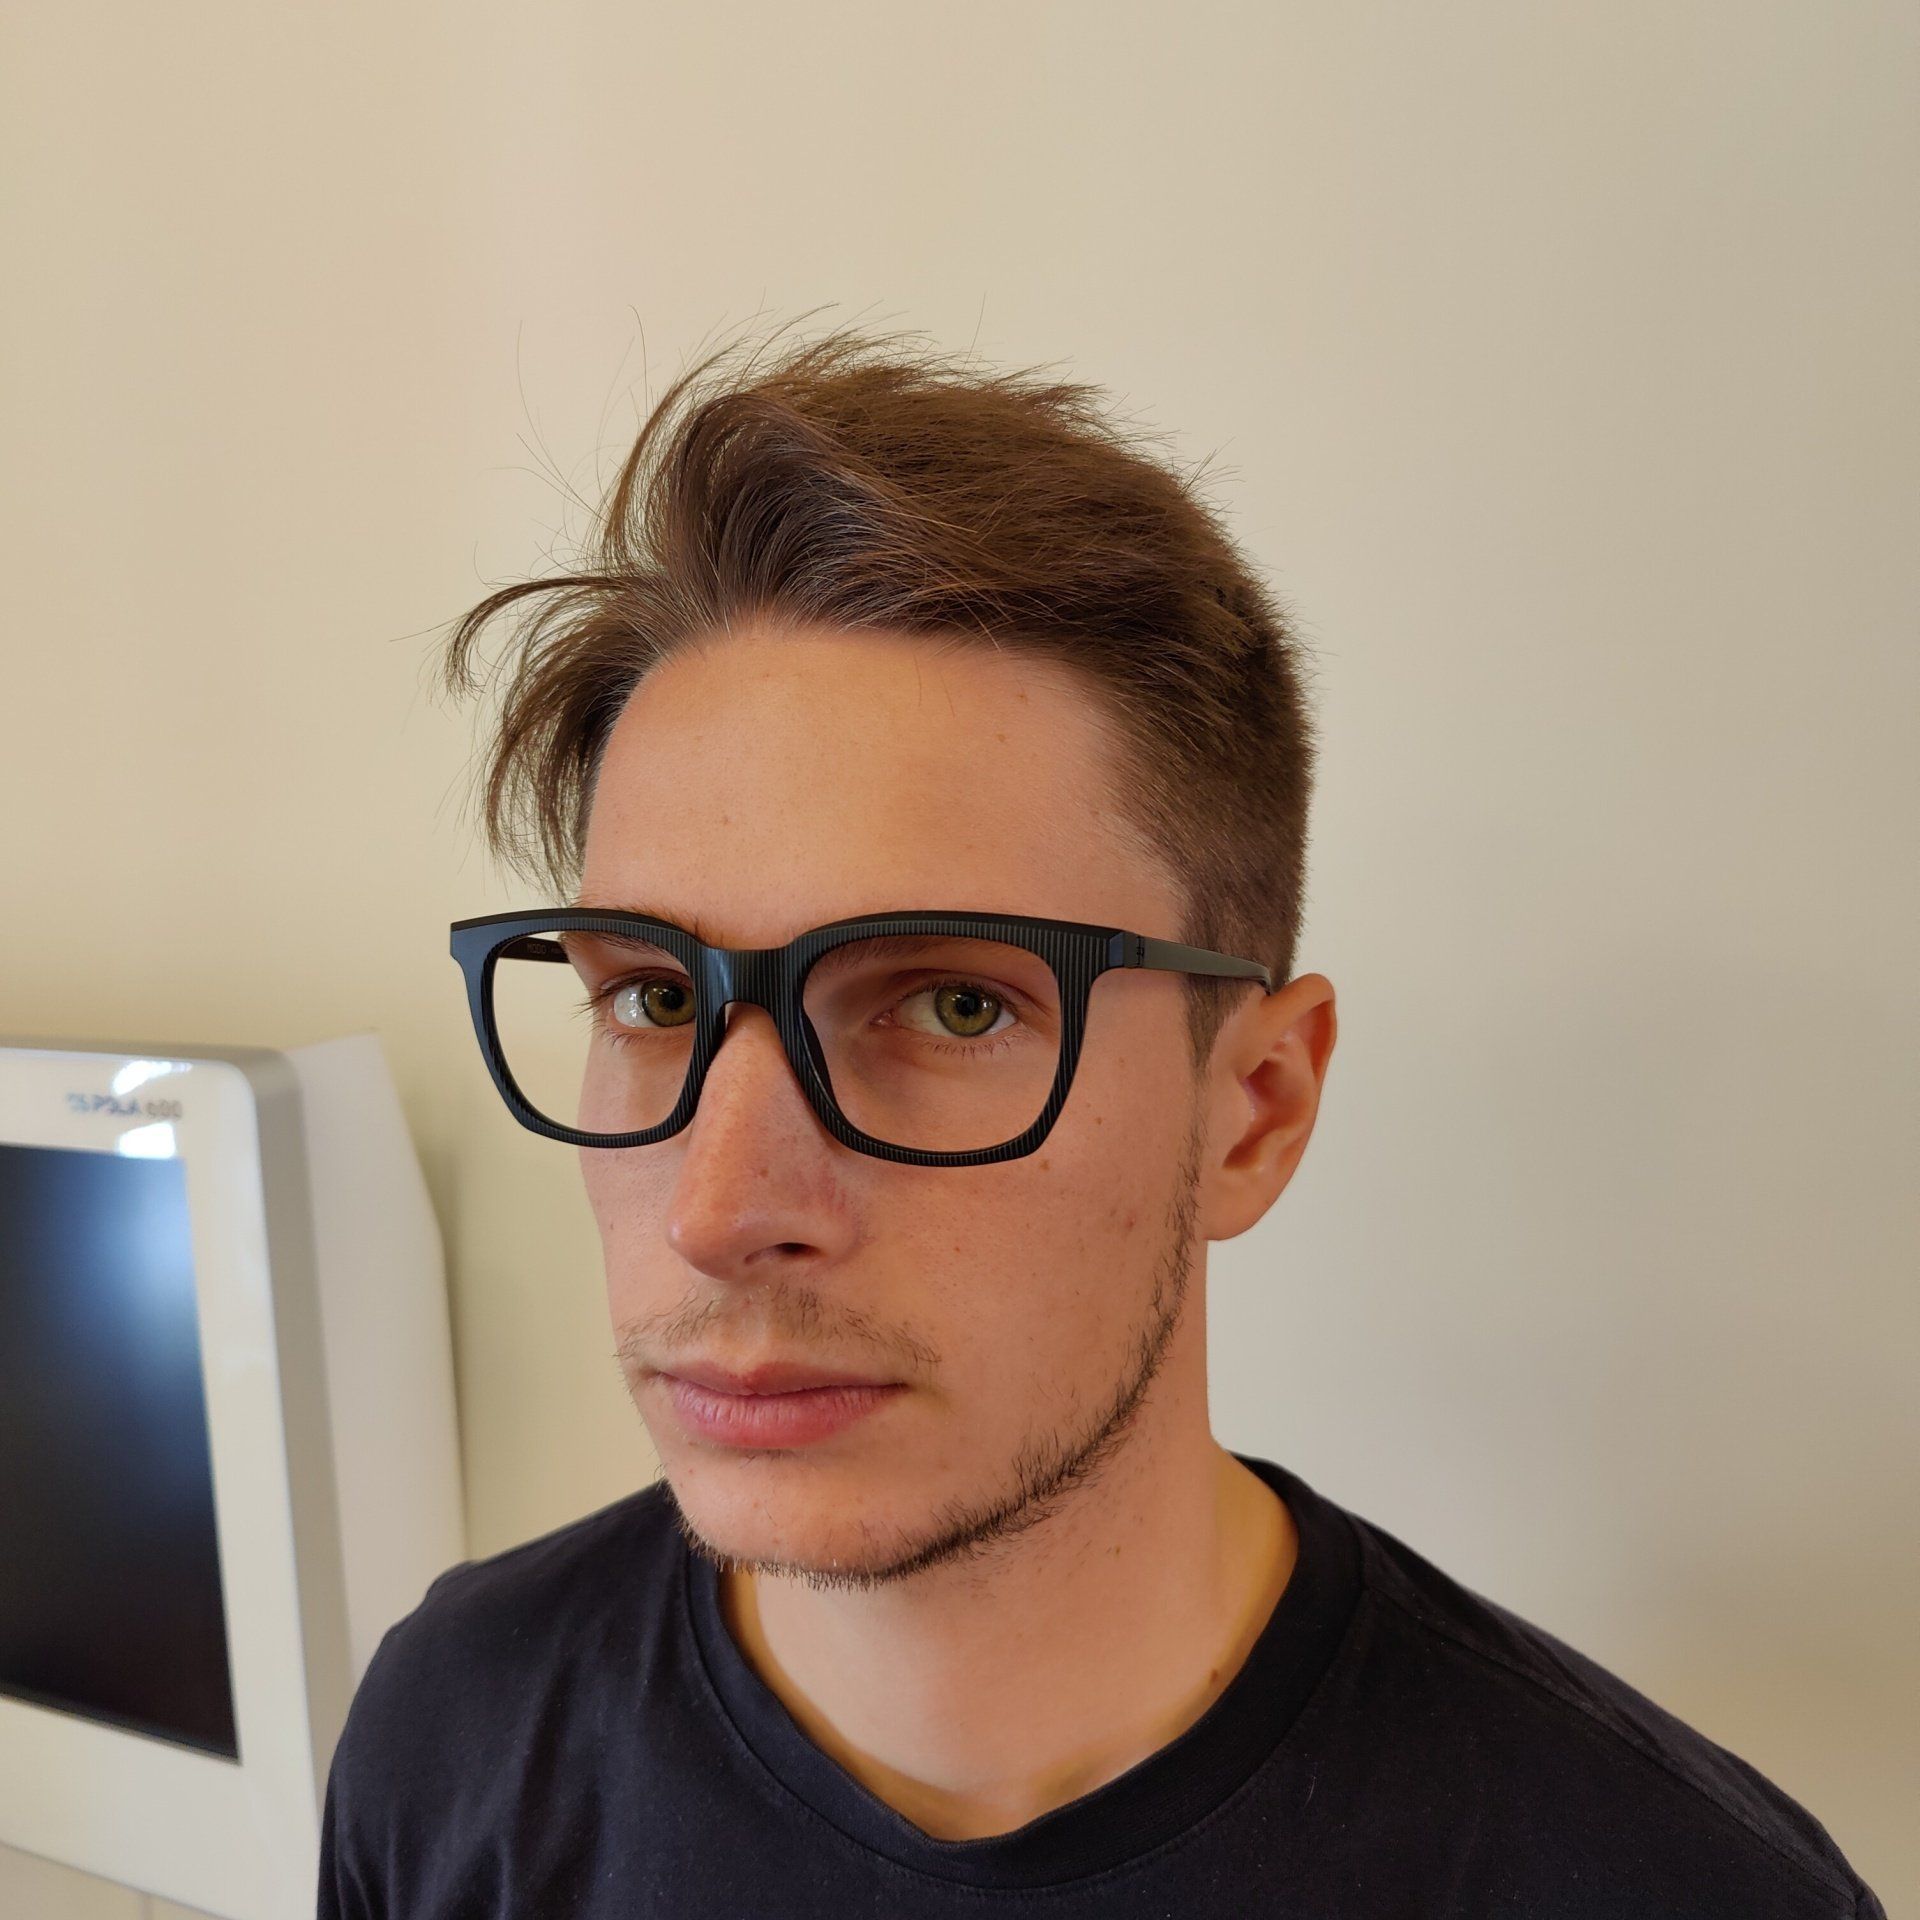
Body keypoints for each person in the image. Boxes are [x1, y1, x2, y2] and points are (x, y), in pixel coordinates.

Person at [318, 321, 1883, 1916]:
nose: (719, 1209)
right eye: (656, 1000)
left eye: (951, 1006)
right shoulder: (454, 1736)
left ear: (1254, 1109)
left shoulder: (1671, 1890)